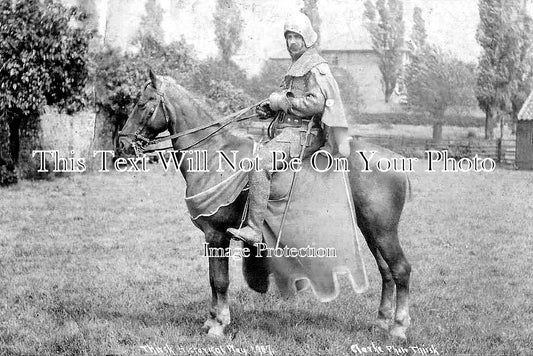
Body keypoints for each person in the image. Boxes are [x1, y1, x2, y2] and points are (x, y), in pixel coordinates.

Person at [227, 12, 351, 245]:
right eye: (288, 37)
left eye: (296, 37)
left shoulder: (315, 67)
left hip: (305, 134)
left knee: (261, 161)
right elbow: (290, 100)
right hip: (288, 132)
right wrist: (271, 109)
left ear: (307, 38)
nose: (291, 42)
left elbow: (316, 103)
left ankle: (253, 230)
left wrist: (282, 102)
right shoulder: (297, 65)